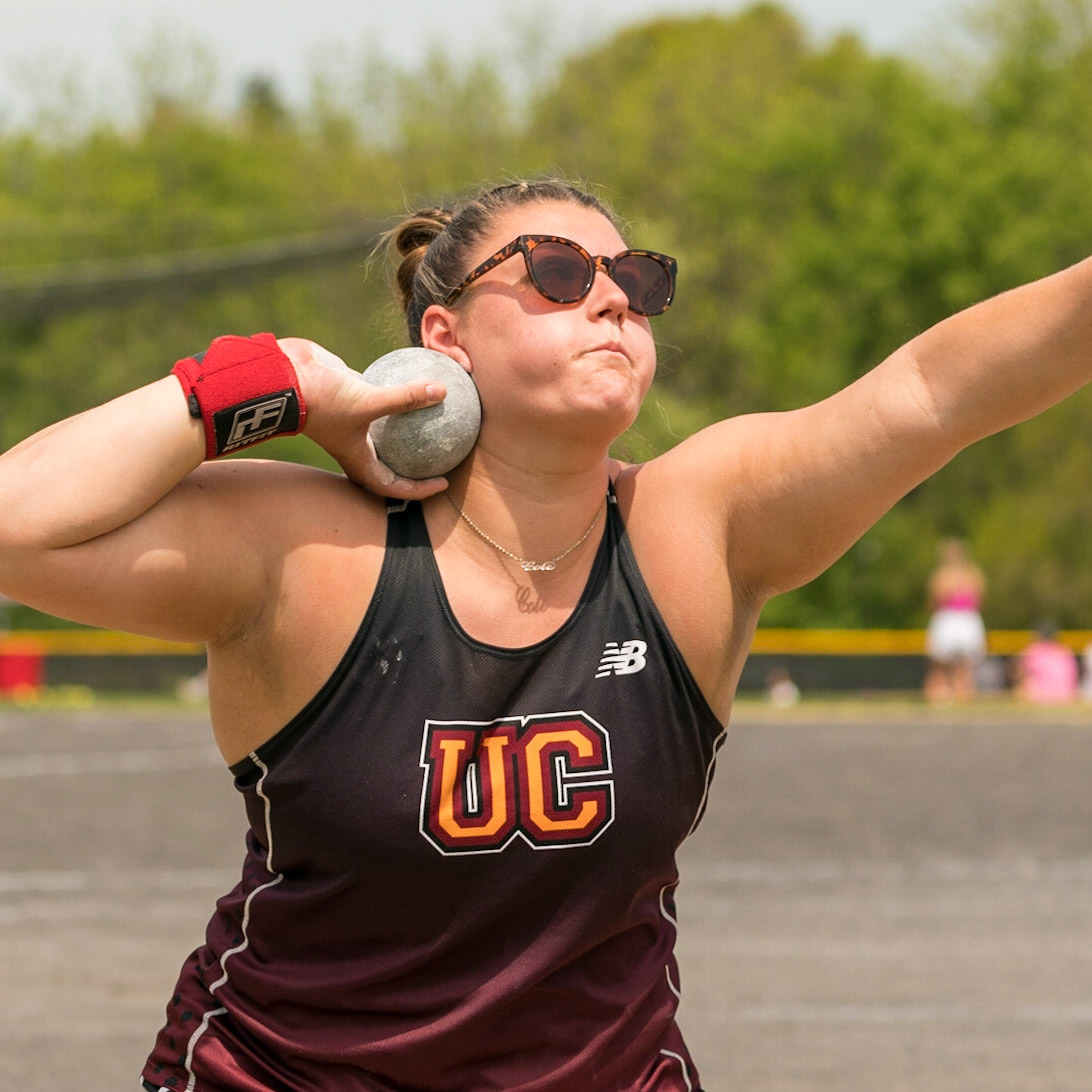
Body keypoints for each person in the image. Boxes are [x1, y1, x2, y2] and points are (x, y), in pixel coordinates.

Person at [0, 178, 1091, 1091]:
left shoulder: (694, 527)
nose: (613, 298)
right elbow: (16, 524)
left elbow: (932, 391)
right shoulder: (308, 549)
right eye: (560, 273)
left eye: (638, 281)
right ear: (445, 339)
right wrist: (277, 380)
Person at [923, 537, 988, 703]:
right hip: (965, 618)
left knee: (950, 666)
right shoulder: (973, 574)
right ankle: (951, 696)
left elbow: (934, 599)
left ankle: (953, 696)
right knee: (954, 665)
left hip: (952, 618)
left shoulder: (944, 576)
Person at [1015, 621, 1080, 704]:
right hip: (1067, 696)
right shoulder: (1065, 651)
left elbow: (1019, 674)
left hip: (1041, 697)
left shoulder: (1033, 651)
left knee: (1023, 683)